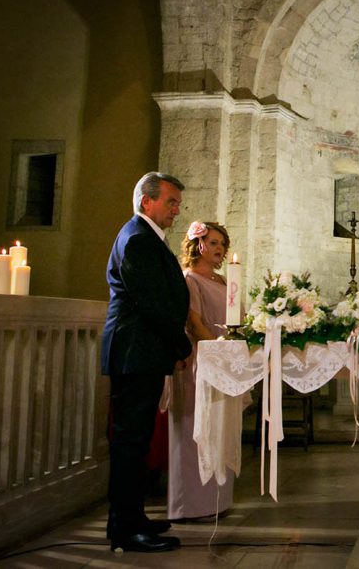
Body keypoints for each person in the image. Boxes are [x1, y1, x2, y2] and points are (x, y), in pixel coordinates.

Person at [101, 172, 192, 553]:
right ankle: (124, 528)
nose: (176, 209)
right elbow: (152, 302)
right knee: (130, 441)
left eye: (177, 203)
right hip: (136, 349)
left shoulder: (144, 236)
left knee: (136, 442)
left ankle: (132, 518)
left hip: (143, 350)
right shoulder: (138, 239)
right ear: (146, 202)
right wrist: (181, 345)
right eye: (170, 202)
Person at [167, 220, 235, 520]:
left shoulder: (225, 282)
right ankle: (188, 505)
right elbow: (193, 322)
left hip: (224, 361)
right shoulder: (189, 280)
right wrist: (219, 349)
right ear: (199, 245)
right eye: (214, 243)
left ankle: (218, 501)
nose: (220, 248)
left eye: (223, 244)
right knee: (195, 427)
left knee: (221, 427)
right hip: (199, 361)